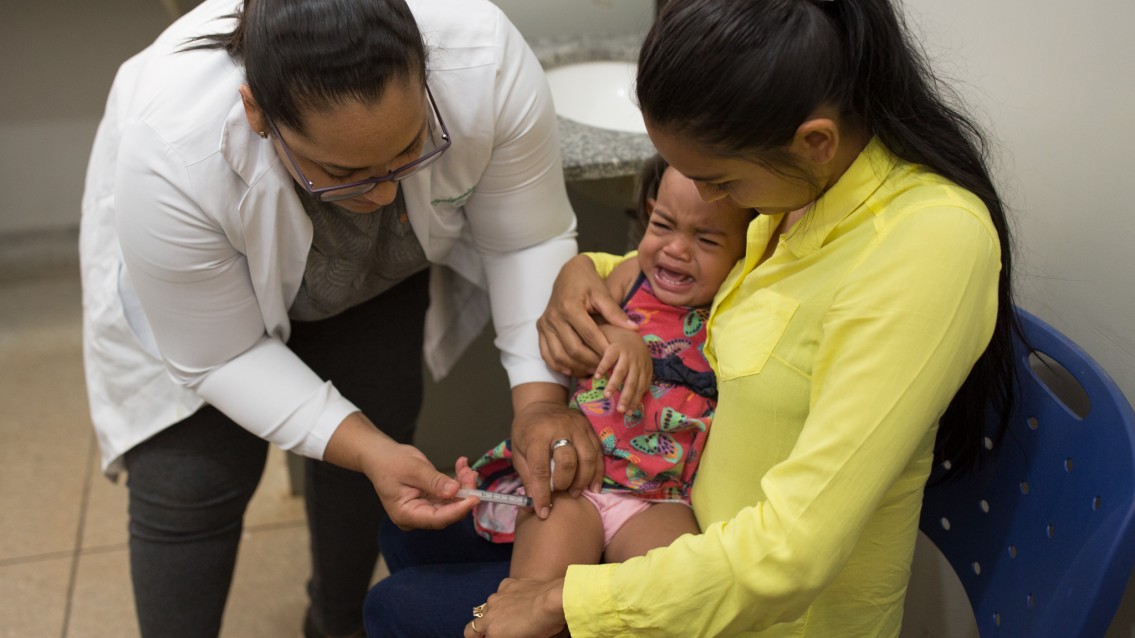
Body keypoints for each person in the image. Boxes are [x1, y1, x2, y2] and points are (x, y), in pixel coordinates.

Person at [364, 0, 1021, 636]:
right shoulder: (798, 194)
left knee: (397, 607)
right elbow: (703, 288)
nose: (710, 202)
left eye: (722, 184)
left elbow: (792, 553)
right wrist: (582, 271)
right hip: (680, 530)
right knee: (405, 529)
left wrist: (564, 604)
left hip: (755, 604)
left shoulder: (925, 245)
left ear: (813, 141)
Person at [77, 0, 580, 635]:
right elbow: (221, 355)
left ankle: (334, 624)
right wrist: (366, 448)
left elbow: (525, 241)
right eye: (343, 173)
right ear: (257, 113)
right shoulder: (174, 148)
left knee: (378, 435)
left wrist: (537, 405)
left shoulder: (481, 59)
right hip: (199, 296)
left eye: (408, 151)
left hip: (376, 278)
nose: (384, 194)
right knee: (193, 480)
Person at [466, 157, 753, 583]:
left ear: (747, 250)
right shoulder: (630, 274)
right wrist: (614, 335)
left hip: (661, 498)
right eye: (662, 225)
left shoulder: (734, 305)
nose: (676, 248)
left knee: (678, 588)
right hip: (576, 481)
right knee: (535, 593)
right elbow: (572, 328)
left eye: (707, 240)